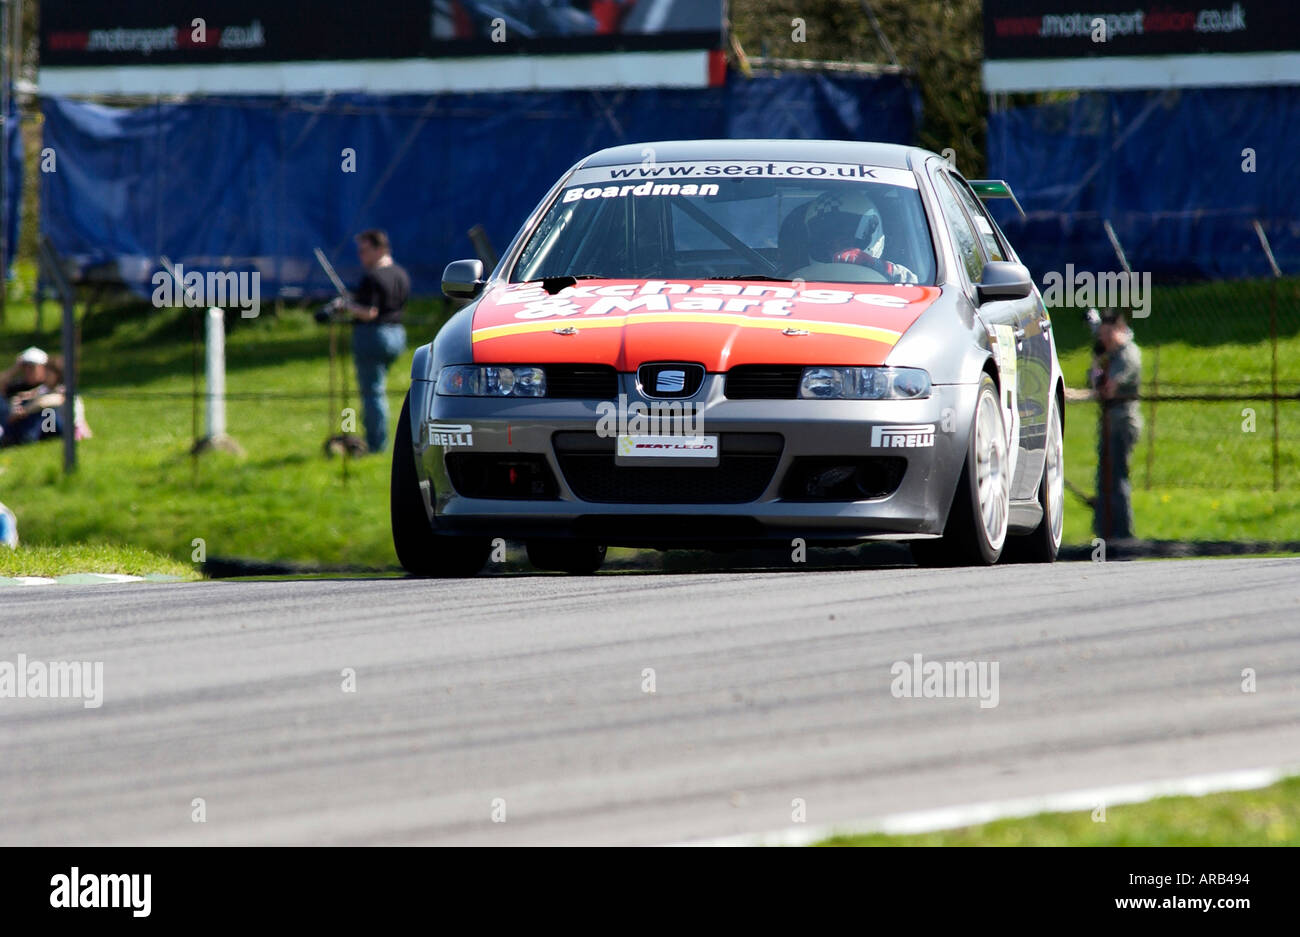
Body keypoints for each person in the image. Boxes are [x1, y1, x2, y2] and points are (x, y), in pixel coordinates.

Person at [333, 229, 410, 453]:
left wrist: (346, 306)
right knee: (378, 389)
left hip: (374, 337)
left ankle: (377, 445)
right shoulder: (400, 274)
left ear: (380, 249)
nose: (361, 255)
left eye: (364, 250)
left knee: (373, 393)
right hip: (397, 336)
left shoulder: (373, 277)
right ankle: (379, 440)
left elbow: (370, 312)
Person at [1068, 311, 1142, 540]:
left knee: (1117, 481)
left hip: (1122, 424)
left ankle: (1123, 536)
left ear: (1120, 331)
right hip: (1110, 424)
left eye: (1109, 333)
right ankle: (1105, 533)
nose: (1105, 339)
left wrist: (1077, 395)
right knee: (1105, 479)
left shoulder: (1126, 355)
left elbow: (1106, 390)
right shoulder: (1109, 353)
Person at [784, 190, 919, 284]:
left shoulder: (896, 276)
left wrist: (874, 265)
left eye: (846, 233)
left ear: (872, 230)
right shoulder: (792, 277)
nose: (837, 242)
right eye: (826, 234)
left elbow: (915, 284)